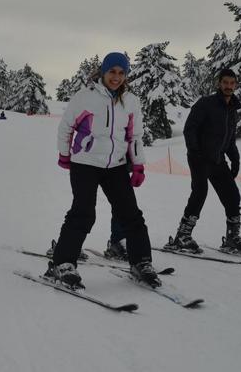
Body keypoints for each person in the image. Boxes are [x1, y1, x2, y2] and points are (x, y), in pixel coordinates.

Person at [46, 52, 159, 288]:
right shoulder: (85, 97)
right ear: (103, 72)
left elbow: (135, 136)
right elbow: (66, 127)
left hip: (115, 165)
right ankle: (63, 263)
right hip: (85, 163)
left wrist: (138, 164)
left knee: (131, 214)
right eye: (112, 72)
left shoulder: (131, 102)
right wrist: (65, 155)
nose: (116, 77)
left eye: (121, 73)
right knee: (83, 212)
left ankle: (141, 262)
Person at [163, 68, 241, 255]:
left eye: (232, 83)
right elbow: (190, 129)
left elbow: (229, 139)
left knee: (232, 196)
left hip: (218, 160)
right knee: (200, 193)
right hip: (200, 158)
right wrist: (195, 151)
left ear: (235, 85)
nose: (228, 86)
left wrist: (235, 160)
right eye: (225, 82)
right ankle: (182, 236)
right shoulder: (206, 103)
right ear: (219, 83)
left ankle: (232, 238)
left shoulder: (232, 109)